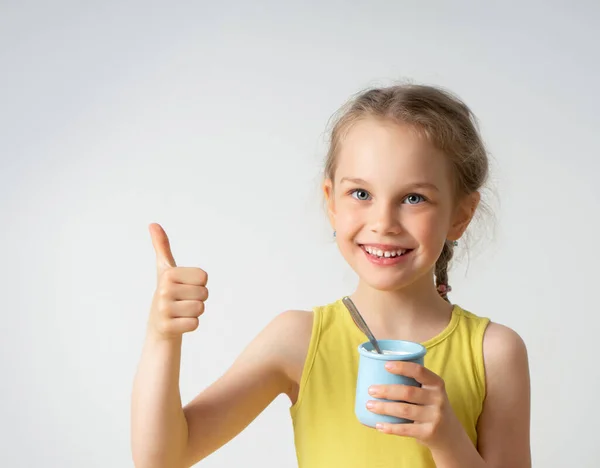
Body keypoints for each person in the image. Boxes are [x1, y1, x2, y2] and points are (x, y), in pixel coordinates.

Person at [131, 84, 531, 468]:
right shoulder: (297, 341)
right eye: (361, 194)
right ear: (331, 202)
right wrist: (161, 337)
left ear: (460, 215)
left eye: (414, 198)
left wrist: (447, 438)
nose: (383, 223)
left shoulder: (494, 354)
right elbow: (163, 459)